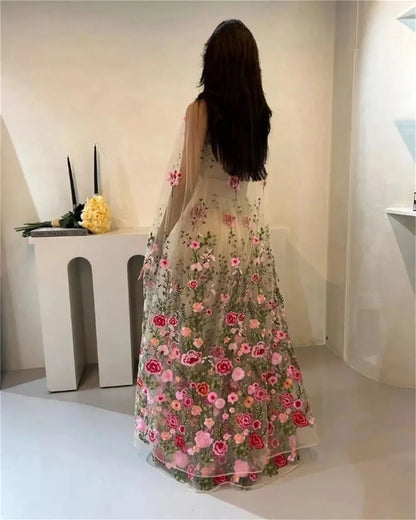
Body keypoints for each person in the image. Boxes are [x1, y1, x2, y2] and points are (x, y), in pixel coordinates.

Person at [134, 18, 319, 492]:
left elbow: (182, 184)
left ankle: (199, 445)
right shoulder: (260, 115)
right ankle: (247, 441)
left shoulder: (201, 110)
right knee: (244, 344)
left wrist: (158, 241)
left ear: (213, 62)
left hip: (202, 240)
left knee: (199, 342)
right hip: (245, 243)